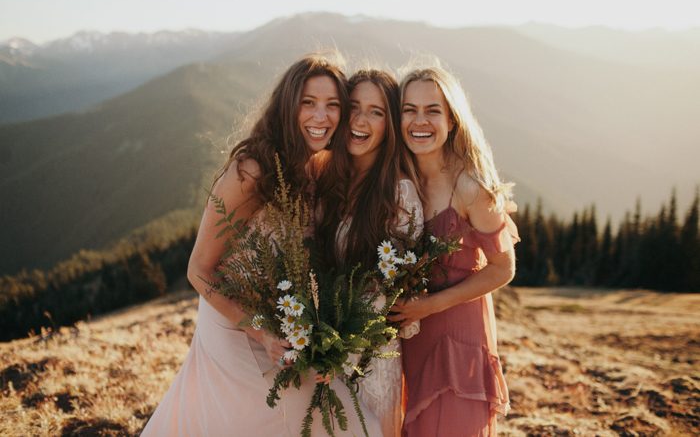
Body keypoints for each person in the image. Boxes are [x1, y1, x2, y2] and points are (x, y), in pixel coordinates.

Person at [141, 53, 353, 437]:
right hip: (235, 327)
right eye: (308, 103)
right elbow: (198, 271)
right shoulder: (251, 171)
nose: (321, 117)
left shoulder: (318, 167)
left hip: (283, 325)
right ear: (288, 107)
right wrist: (262, 332)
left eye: (332, 105)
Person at [388, 65, 519, 437]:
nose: (420, 121)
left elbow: (502, 268)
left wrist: (429, 305)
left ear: (451, 120)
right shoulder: (401, 175)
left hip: (459, 337)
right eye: (409, 110)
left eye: (432, 110)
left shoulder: (469, 184)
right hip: (414, 335)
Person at [315, 68, 424, 437]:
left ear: (390, 123)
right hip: (318, 350)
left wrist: (343, 347)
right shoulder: (326, 181)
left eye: (376, 112)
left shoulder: (400, 194)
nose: (361, 121)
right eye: (354, 107)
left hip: (370, 359)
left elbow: (399, 293)